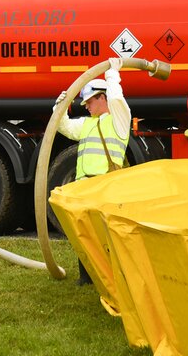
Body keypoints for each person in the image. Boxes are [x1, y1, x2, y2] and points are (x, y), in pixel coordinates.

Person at [55, 57, 131, 283]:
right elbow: (64, 127)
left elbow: (117, 99)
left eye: (89, 101)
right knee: (84, 233)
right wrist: (60, 108)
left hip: (106, 186)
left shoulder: (119, 120)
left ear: (102, 97)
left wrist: (112, 74)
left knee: (108, 235)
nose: (86, 106)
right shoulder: (87, 124)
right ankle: (86, 277)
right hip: (84, 186)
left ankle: (114, 276)